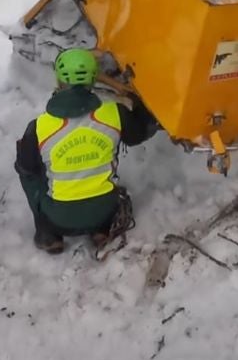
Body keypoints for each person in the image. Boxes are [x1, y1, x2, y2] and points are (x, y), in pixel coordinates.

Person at [15, 49, 158, 255]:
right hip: (104, 212)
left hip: (58, 218)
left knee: (27, 171)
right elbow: (142, 131)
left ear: (59, 80)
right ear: (93, 80)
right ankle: (101, 230)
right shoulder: (114, 114)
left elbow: (26, 167)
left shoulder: (39, 127)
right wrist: (135, 98)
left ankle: (48, 234)